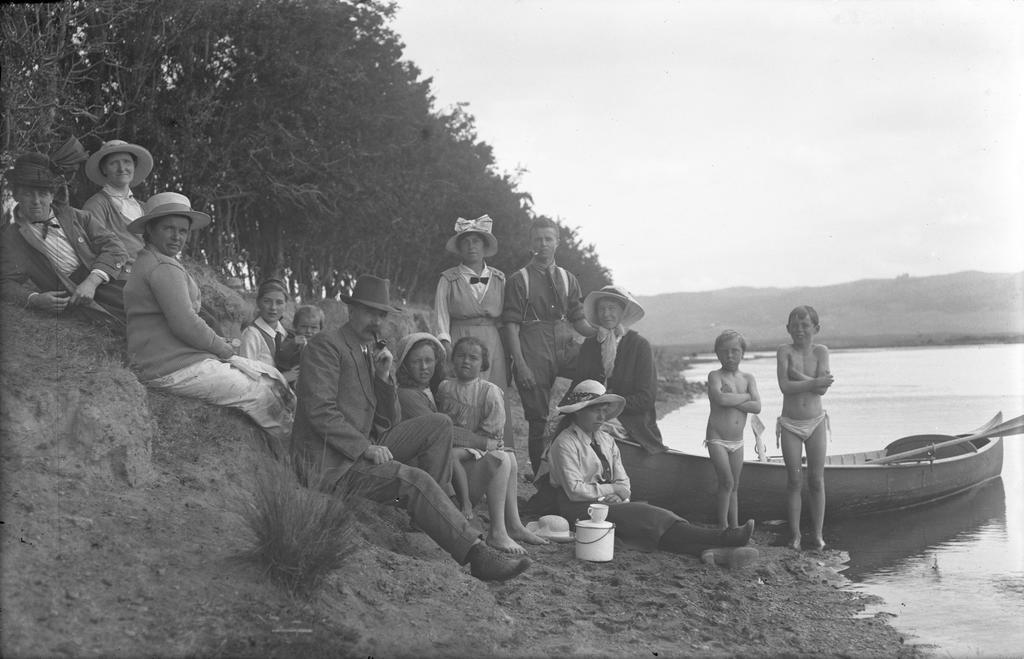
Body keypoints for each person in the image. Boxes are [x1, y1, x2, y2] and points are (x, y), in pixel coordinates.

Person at [291, 276, 531, 580]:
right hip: (332, 461)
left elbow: (386, 421)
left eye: (381, 314)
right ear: (351, 310)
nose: (375, 321)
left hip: (365, 442)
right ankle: (476, 554)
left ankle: (433, 514)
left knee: (439, 423)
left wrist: (382, 377)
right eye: (368, 312)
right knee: (413, 479)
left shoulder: (370, 352)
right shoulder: (326, 345)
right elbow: (319, 411)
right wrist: (365, 447)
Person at [124, 192, 294, 446]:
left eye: (182, 230)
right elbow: (186, 324)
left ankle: (299, 443)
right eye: (168, 228)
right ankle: (297, 454)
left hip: (172, 358)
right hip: (169, 366)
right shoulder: (162, 267)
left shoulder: (153, 261)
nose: (176, 236)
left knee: (271, 374)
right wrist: (223, 348)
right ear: (150, 228)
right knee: (261, 393)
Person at [546, 380, 757, 563]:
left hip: (607, 504)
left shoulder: (606, 440)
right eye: (595, 410)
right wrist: (610, 489)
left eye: (604, 410)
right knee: (648, 515)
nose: (601, 416)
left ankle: (712, 552)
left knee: (650, 524)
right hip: (578, 509)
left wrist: (619, 494)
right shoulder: (565, 443)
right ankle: (725, 537)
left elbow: (624, 483)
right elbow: (574, 491)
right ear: (578, 412)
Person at [395, 333, 546, 554]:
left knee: (511, 457)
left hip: (442, 457)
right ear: (405, 365)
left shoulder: (432, 388)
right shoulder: (408, 395)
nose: (425, 367)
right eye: (417, 362)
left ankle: (513, 524)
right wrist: (483, 442)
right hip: (428, 468)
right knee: (500, 458)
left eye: (429, 361)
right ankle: (497, 532)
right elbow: (443, 428)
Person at [502, 217, 596, 475]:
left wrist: (602, 331)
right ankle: (539, 480)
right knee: (537, 420)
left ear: (557, 242)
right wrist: (520, 365)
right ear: (530, 243)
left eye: (548, 239)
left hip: (564, 343)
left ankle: (570, 433)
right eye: (537, 240)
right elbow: (511, 325)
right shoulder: (519, 279)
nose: (543, 244)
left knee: (595, 371)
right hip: (533, 348)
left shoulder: (568, 278)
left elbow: (579, 321)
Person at [1, 152, 128, 329]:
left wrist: (92, 281)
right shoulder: (11, 238)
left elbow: (115, 247)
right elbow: (5, 282)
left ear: (52, 196)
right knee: (125, 327)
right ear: (16, 196)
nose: (36, 201)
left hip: (103, 279)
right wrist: (35, 299)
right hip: (72, 297)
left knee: (149, 307)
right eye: (28, 194)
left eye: (43, 194)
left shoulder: (77, 216)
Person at [434, 215, 513, 443]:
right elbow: (441, 315)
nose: (471, 246)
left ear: (484, 246)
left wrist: (506, 353)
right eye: (466, 241)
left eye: (476, 241)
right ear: (459, 247)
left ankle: (497, 448)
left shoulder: (499, 278)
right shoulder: (448, 279)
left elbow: (505, 318)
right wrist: (446, 343)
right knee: (462, 393)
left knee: (493, 394)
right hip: (461, 338)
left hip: (492, 342)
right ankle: (460, 445)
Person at [573, 284, 665, 453]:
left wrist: (610, 404)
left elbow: (646, 398)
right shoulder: (590, 345)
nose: (606, 314)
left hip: (630, 420)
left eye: (612, 308)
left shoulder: (639, 346)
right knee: (558, 426)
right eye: (601, 309)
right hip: (591, 413)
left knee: (596, 432)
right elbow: (577, 386)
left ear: (623, 312)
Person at [776, 305, 834, 551]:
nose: (799, 329)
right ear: (788, 328)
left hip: (816, 422)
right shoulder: (784, 351)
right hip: (790, 423)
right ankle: (796, 536)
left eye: (805, 325)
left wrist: (798, 376)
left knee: (817, 480)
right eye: (795, 325)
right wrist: (815, 381)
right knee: (793, 480)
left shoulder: (821, 351)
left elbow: (821, 390)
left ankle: (818, 535)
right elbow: (784, 387)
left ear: (816, 328)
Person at [706, 330, 762, 530]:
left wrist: (735, 399)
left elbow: (757, 407)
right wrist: (746, 397)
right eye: (724, 351)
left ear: (742, 353)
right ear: (717, 354)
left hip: (737, 442)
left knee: (735, 485)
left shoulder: (748, 378)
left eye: (735, 351)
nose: (730, 356)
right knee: (727, 482)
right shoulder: (715, 376)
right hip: (717, 438)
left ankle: (736, 526)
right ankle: (722, 526)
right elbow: (720, 399)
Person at [82, 139, 154, 263]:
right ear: (104, 169)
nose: (122, 168)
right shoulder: (96, 205)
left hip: (151, 272)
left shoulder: (144, 207)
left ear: (134, 166)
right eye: (114, 163)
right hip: (120, 276)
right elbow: (93, 248)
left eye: (127, 162)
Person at [238, 278, 298, 377]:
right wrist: (283, 378)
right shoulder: (251, 334)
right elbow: (246, 375)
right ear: (258, 302)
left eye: (279, 303)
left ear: (286, 305)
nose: (273, 308)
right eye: (267, 301)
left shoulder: (287, 334)